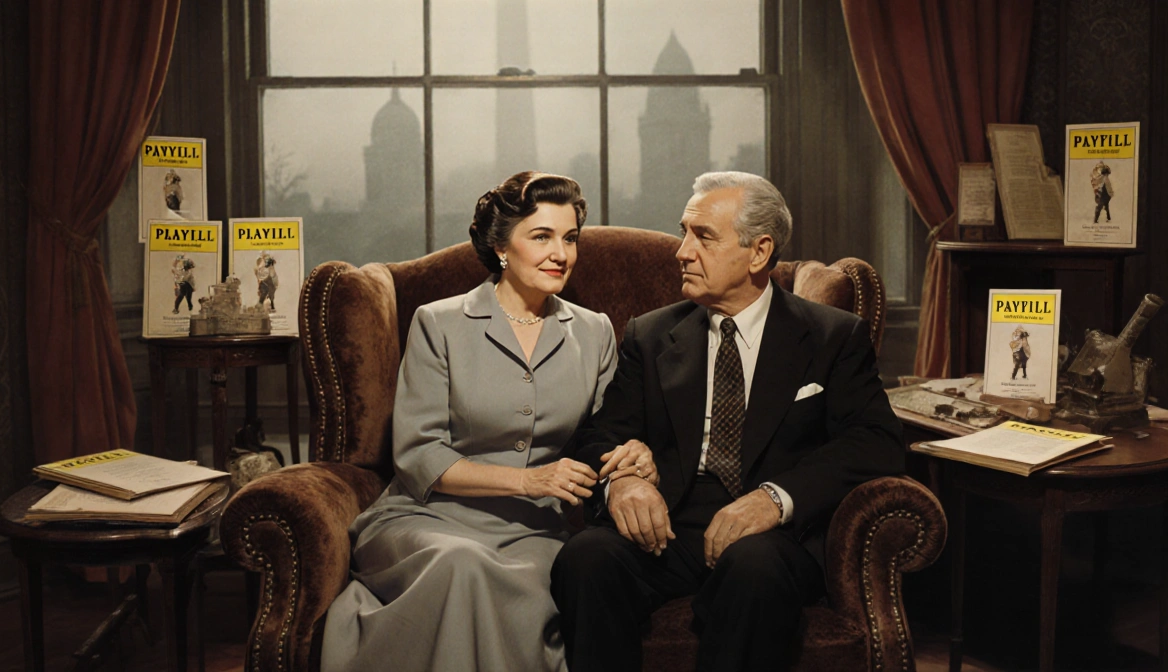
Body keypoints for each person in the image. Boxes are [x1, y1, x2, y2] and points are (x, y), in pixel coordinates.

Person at [551, 171, 905, 671]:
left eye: (704, 237)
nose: (682, 251)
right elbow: (599, 434)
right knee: (585, 559)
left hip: (772, 536)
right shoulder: (651, 336)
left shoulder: (831, 336)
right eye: (684, 232)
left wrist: (775, 498)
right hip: (667, 528)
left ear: (759, 252)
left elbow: (877, 441)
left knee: (755, 569)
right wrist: (623, 482)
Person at [320, 171, 655, 672]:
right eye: (541, 237)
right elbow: (419, 454)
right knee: (462, 565)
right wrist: (529, 479)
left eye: (570, 238)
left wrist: (634, 456)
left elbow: (605, 434)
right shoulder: (440, 322)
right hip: (427, 519)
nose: (560, 253)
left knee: (541, 578)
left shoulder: (595, 331)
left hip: (538, 534)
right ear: (502, 247)